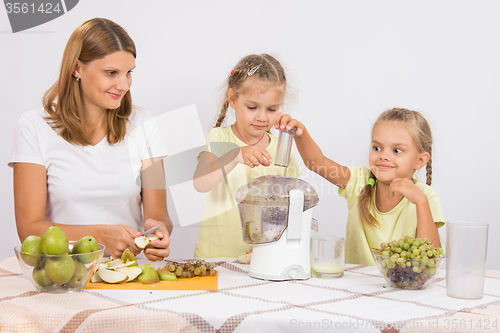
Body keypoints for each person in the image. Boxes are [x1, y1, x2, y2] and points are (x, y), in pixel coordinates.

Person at [9, 18, 172, 261]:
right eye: (111, 73)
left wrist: (158, 230)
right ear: (77, 68)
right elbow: (29, 229)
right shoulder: (34, 127)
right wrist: (99, 236)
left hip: (126, 274)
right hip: (61, 275)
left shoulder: (144, 124)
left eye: (129, 73)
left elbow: (159, 214)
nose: (124, 84)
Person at [275, 108, 444, 265]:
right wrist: (300, 134)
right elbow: (317, 163)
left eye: (397, 151)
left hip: (400, 286)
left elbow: (430, 259)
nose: (384, 155)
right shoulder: (359, 181)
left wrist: (421, 202)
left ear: (420, 160)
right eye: (377, 147)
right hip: (356, 285)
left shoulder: (426, 197)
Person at [193, 54, 301, 258]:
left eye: (272, 109)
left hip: (262, 256)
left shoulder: (282, 148)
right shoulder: (219, 137)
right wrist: (235, 156)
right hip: (216, 256)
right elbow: (200, 183)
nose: (262, 117)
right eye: (252, 107)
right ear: (233, 99)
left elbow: (294, 201)